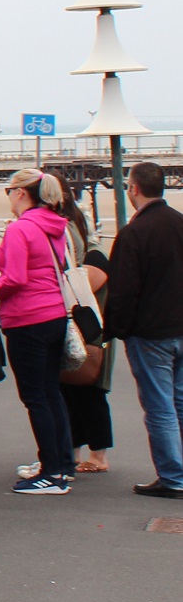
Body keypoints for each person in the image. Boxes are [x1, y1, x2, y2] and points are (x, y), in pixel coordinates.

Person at [0, 170, 78, 494]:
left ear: (20, 193)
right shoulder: (56, 225)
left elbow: (14, 278)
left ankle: (51, 473)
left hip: (27, 318)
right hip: (54, 313)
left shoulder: (21, 229)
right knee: (50, 391)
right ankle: (62, 465)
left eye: (9, 190)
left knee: (35, 396)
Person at [103, 161, 183, 498]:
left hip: (151, 332)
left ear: (133, 188)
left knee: (160, 405)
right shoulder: (180, 223)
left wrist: (114, 329)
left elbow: (123, 289)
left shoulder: (134, 233)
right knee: (179, 402)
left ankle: (173, 476)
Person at [49, 182, 114, 475]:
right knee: (84, 386)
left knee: (82, 384)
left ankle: (94, 455)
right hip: (93, 317)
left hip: (82, 316)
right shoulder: (83, 230)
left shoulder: (67, 230)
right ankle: (83, 452)